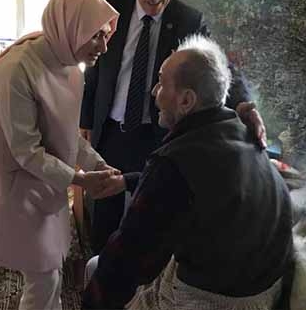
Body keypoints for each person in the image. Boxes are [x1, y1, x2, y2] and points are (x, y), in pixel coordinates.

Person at [82, 34, 293, 310]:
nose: (154, 91)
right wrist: (127, 181)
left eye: (161, 82)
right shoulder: (241, 130)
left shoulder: (173, 164)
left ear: (186, 101)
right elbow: (196, 188)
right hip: (265, 287)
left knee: (97, 269)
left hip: (214, 299)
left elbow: (126, 259)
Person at [80, 0, 265, 254]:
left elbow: (221, 67)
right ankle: (101, 272)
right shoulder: (111, 10)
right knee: (106, 211)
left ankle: (145, 286)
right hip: (111, 131)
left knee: (152, 217)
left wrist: (245, 105)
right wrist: (85, 119)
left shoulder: (188, 21)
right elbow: (93, 69)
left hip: (156, 134)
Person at [0, 0, 119, 310]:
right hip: (20, 189)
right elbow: (26, 151)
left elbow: (68, 136)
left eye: (106, 36)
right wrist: (80, 180)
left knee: (51, 275)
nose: (104, 47)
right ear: (70, 25)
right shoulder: (17, 69)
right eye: (96, 36)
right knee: (43, 278)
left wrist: (97, 164)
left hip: (50, 187)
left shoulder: (70, 68)